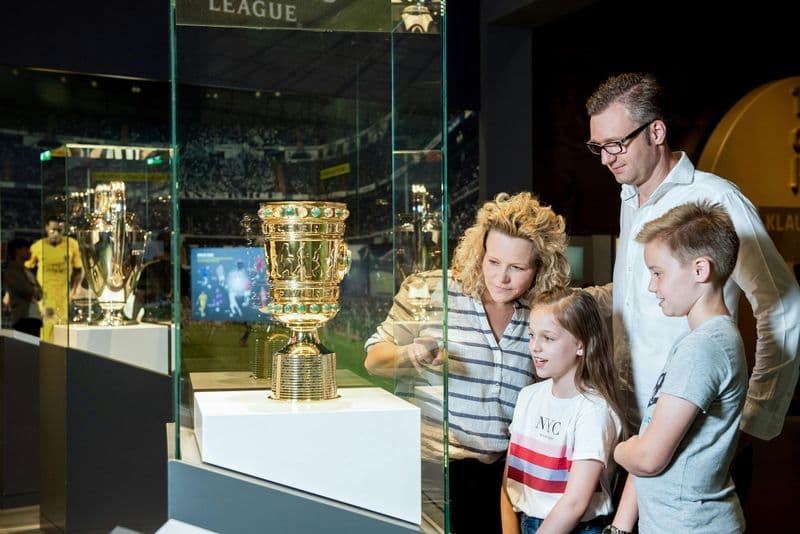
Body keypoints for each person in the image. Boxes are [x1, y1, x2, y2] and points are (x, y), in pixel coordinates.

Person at [584, 73, 800, 470]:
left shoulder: (716, 197)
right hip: (637, 431)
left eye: (616, 144)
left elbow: (782, 304)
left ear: (657, 131)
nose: (606, 158)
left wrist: (754, 418)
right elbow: (637, 295)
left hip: (699, 435)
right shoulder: (629, 197)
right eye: (598, 146)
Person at [365, 192, 571, 534]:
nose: (501, 278)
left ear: (541, 267)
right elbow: (374, 359)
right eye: (493, 262)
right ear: (480, 251)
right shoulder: (430, 288)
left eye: (517, 268)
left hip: (505, 485)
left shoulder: (543, 315)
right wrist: (411, 356)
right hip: (430, 474)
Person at [606, 202, 746, 534]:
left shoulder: (704, 347)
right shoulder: (701, 340)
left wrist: (616, 448)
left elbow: (648, 457)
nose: (652, 286)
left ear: (700, 270)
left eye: (658, 273)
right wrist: (621, 526)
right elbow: (651, 438)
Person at [500, 289, 627, 534]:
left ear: (581, 344)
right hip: (527, 521)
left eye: (548, 338)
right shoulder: (528, 397)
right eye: (532, 335)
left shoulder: (594, 411)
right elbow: (510, 481)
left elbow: (575, 503)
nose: (535, 347)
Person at [25, 216, 84, 341]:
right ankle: (45, 354)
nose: (56, 234)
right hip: (45, 295)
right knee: (47, 325)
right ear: (46, 228)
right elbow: (25, 268)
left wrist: (75, 289)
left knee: (62, 329)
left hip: (64, 296)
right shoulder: (38, 246)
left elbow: (79, 270)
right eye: (53, 230)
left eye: (59, 230)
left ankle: (59, 356)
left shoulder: (72, 244)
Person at [2, 238, 43, 336]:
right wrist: (32, 290)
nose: (30, 252)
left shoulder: (27, 271)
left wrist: (32, 290)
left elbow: (39, 294)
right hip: (23, 318)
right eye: (26, 249)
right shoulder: (12, 271)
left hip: (34, 317)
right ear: (18, 250)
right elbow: (26, 290)